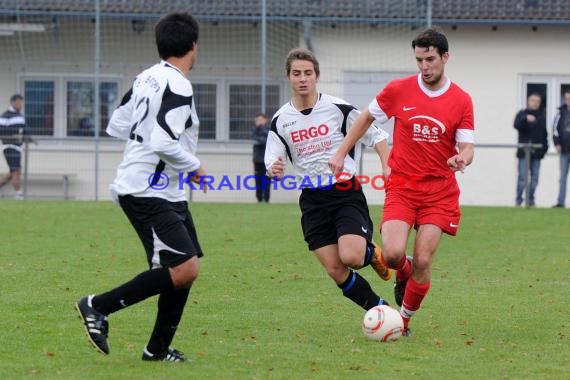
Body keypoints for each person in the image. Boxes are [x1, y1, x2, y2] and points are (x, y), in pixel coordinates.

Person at [75, 12, 207, 362]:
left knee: (184, 270)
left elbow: (117, 126)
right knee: (185, 267)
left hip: (166, 190)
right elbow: (164, 141)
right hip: (147, 190)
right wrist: (194, 166)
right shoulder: (179, 83)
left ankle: (157, 350)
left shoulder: (145, 77)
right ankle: (96, 306)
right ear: (193, 46)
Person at [328, 27, 475, 336]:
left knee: (424, 258)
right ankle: (403, 270)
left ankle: (403, 322)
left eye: (430, 59)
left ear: (445, 57)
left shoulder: (461, 100)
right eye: (419, 60)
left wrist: (462, 158)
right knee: (393, 254)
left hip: (439, 191)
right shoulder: (398, 90)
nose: (424, 66)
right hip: (403, 186)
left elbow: (467, 146)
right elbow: (365, 118)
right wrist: (342, 152)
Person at [265, 48, 393, 315]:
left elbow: (377, 135)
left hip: (344, 191)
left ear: (317, 76)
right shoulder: (280, 121)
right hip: (311, 199)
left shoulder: (337, 108)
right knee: (336, 270)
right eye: (296, 73)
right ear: (288, 77)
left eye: (308, 73)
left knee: (352, 257)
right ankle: (381, 310)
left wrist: (385, 164)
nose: (303, 79)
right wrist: (273, 169)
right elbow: (272, 160)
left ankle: (370, 253)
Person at [514, 93, 548, 207]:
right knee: (522, 178)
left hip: (537, 153)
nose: (535, 103)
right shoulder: (522, 114)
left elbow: (544, 135)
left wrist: (544, 150)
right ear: (528, 101)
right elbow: (516, 125)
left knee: (535, 179)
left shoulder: (542, 116)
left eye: (537, 101)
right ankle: (518, 200)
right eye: (533, 100)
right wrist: (525, 119)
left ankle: (530, 199)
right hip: (523, 152)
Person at [0, 94, 25, 199]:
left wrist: (25, 136)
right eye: (18, 102)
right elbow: (1, 131)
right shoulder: (5, 116)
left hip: (18, 147)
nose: (20, 105)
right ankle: (18, 193)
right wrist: (13, 136)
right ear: (12, 102)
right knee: (16, 170)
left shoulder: (20, 116)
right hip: (9, 146)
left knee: (13, 171)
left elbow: (26, 130)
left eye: (21, 102)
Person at [552, 90, 570, 208]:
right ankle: (560, 202)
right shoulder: (560, 113)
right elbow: (554, 129)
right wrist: (557, 143)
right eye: (567, 98)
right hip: (564, 150)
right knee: (562, 177)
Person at [252, 112, 271, 202]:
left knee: (266, 180)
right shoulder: (254, 130)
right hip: (257, 159)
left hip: (267, 160)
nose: (258, 122)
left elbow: (267, 141)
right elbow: (255, 140)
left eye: (260, 120)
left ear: (265, 120)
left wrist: (262, 129)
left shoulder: (269, 130)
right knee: (258, 180)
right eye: (257, 120)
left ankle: (266, 199)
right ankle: (259, 199)